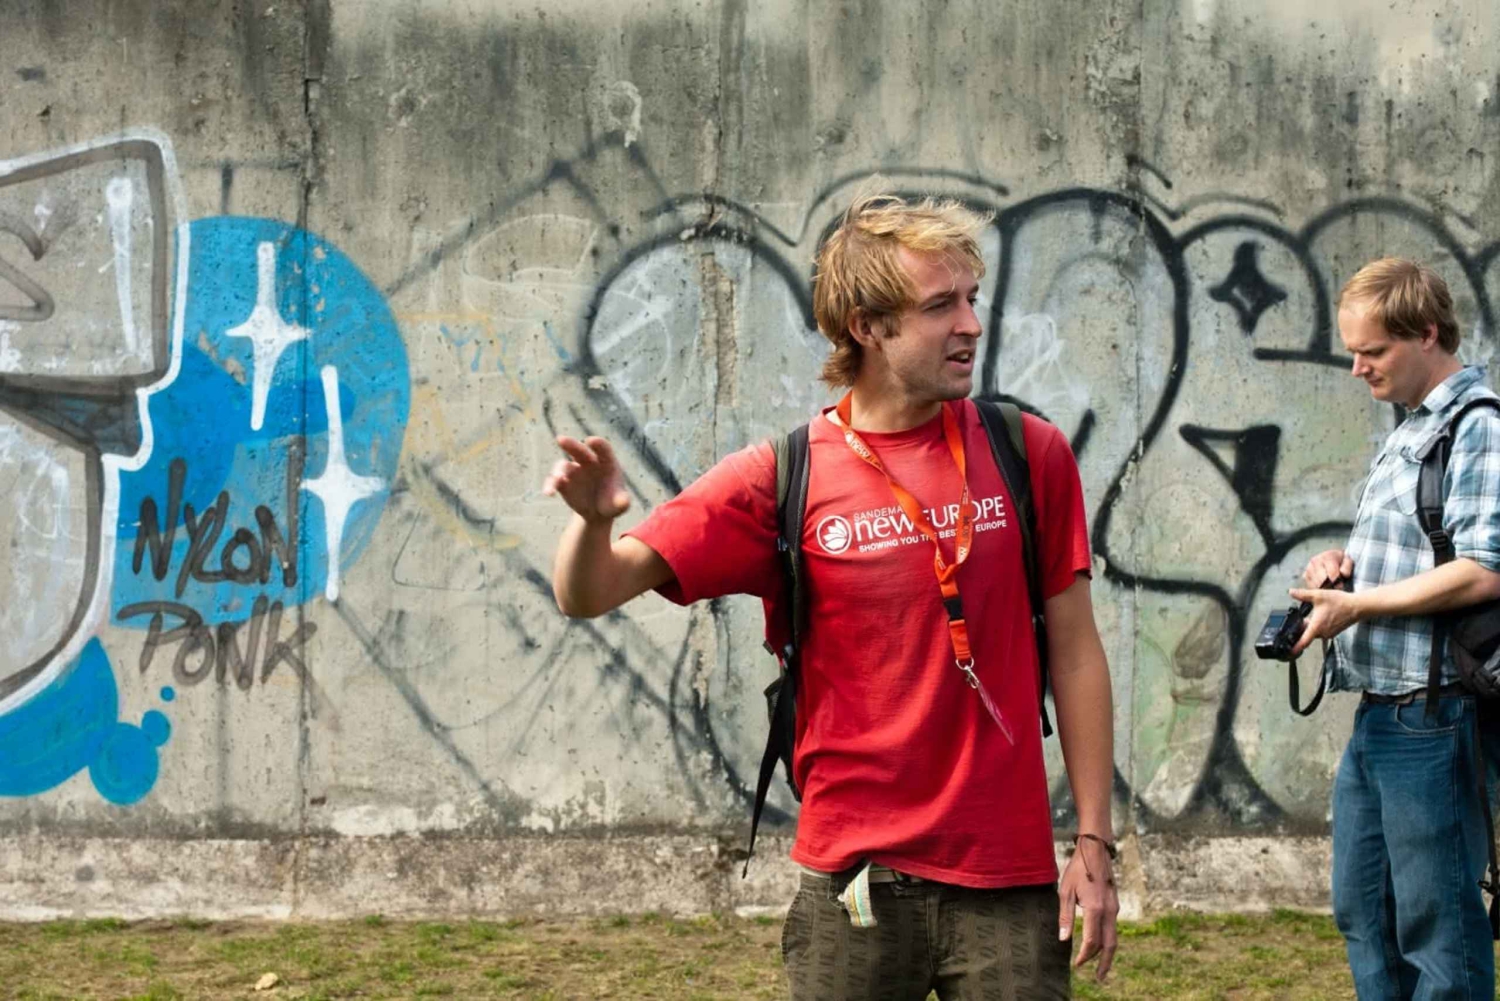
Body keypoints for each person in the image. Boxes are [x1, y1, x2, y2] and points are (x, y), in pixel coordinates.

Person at [543, 192, 1119, 998]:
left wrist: (1094, 841)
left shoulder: (1029, 452)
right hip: (853, 883)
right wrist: (592, 523)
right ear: (867, 326)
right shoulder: (785, 476)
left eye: (972, 298)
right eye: (940, 306)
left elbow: (1077, 651)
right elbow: (591, 590)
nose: (971, 325)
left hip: (1005, 880)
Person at [1292, 257, 1500, 999]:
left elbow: (1485, 569)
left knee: (1438, 927)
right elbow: (1424, 548)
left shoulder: (1478, 427)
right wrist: (1342, 570)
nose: (1357, 368)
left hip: (1436, 713)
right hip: (1382, 712)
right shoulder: (1416, 428)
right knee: (1364, 911)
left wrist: (1362, 607)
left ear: (1428, 333)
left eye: (1373, 351)